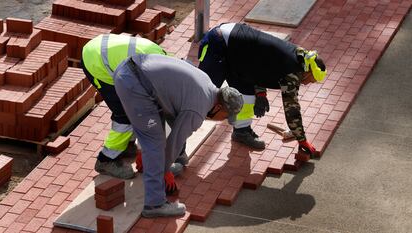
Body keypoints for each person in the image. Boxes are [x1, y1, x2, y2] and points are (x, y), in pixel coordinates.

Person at [113, 54, 243, 217]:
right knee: (154, 144)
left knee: (154, 139)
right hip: (135, 84)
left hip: (132, 70)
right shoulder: (196, 110)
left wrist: (155, 160)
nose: (222, 120)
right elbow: (175, 141)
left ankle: (150, 164)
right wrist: (164, 170)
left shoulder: (207, 84)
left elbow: (171, 122)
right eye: (225, 116)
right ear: (219, 107)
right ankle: (154, 204)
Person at [198, 23, 327, 156]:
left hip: (241, 57)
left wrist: (260, 93)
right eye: (310, 80)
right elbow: (292, 109)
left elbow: (262, 65)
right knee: (204, 94)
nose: (307, 84)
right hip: (220, 42)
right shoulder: (292, 73)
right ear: (308, 71)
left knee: (246, 96)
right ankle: (179, 138)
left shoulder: (301, 57)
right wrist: (302, 140)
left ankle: (241, 131)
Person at [81, 33, 186, 180]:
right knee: (124, 116)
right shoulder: (153, 75)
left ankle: (126, 147)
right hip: (97, 62)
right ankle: (106, 160)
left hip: (104, 48)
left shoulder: (168, 62)